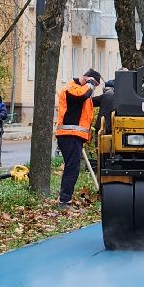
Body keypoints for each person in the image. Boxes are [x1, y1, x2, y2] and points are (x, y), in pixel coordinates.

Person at [55, 69, 102, 206]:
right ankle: (64, 200)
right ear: (88, 79)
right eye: (95, 84)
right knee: (72, 168)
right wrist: (90, 83)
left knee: (72, 168)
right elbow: (82, 95)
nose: (94, 88)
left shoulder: (80, 90)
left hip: (73, 136)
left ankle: (65, 198)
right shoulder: (73, 88)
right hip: (69, 135)